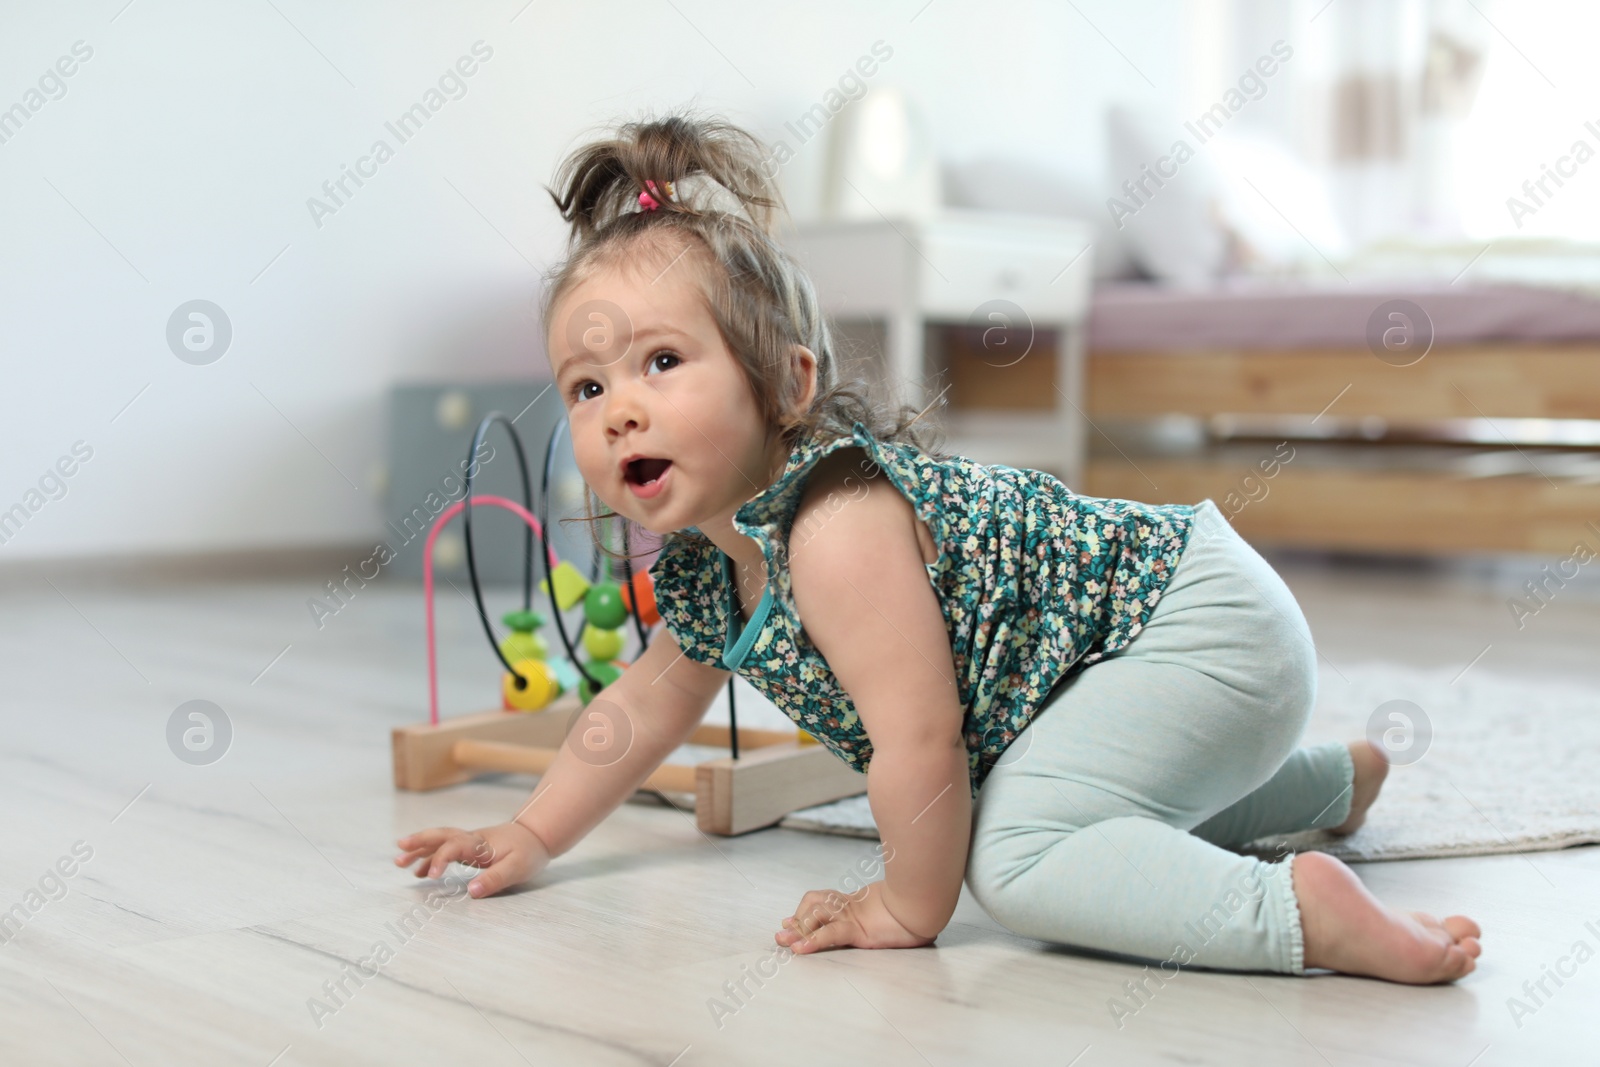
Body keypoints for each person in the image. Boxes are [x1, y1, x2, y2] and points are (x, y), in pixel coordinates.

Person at [395, 110, 1482, 984]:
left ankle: (1294, 912)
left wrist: (909, 904)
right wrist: (532, 830)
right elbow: (636, 710)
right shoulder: (707, 567)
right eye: (587, 387)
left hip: (1200, 626)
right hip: (1176, 652)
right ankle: (1319, 781)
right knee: (1040, 782)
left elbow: (919, 736)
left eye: (662, 361)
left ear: (788, 383)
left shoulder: (833, 523)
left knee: (1011, 853)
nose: (618, 410)